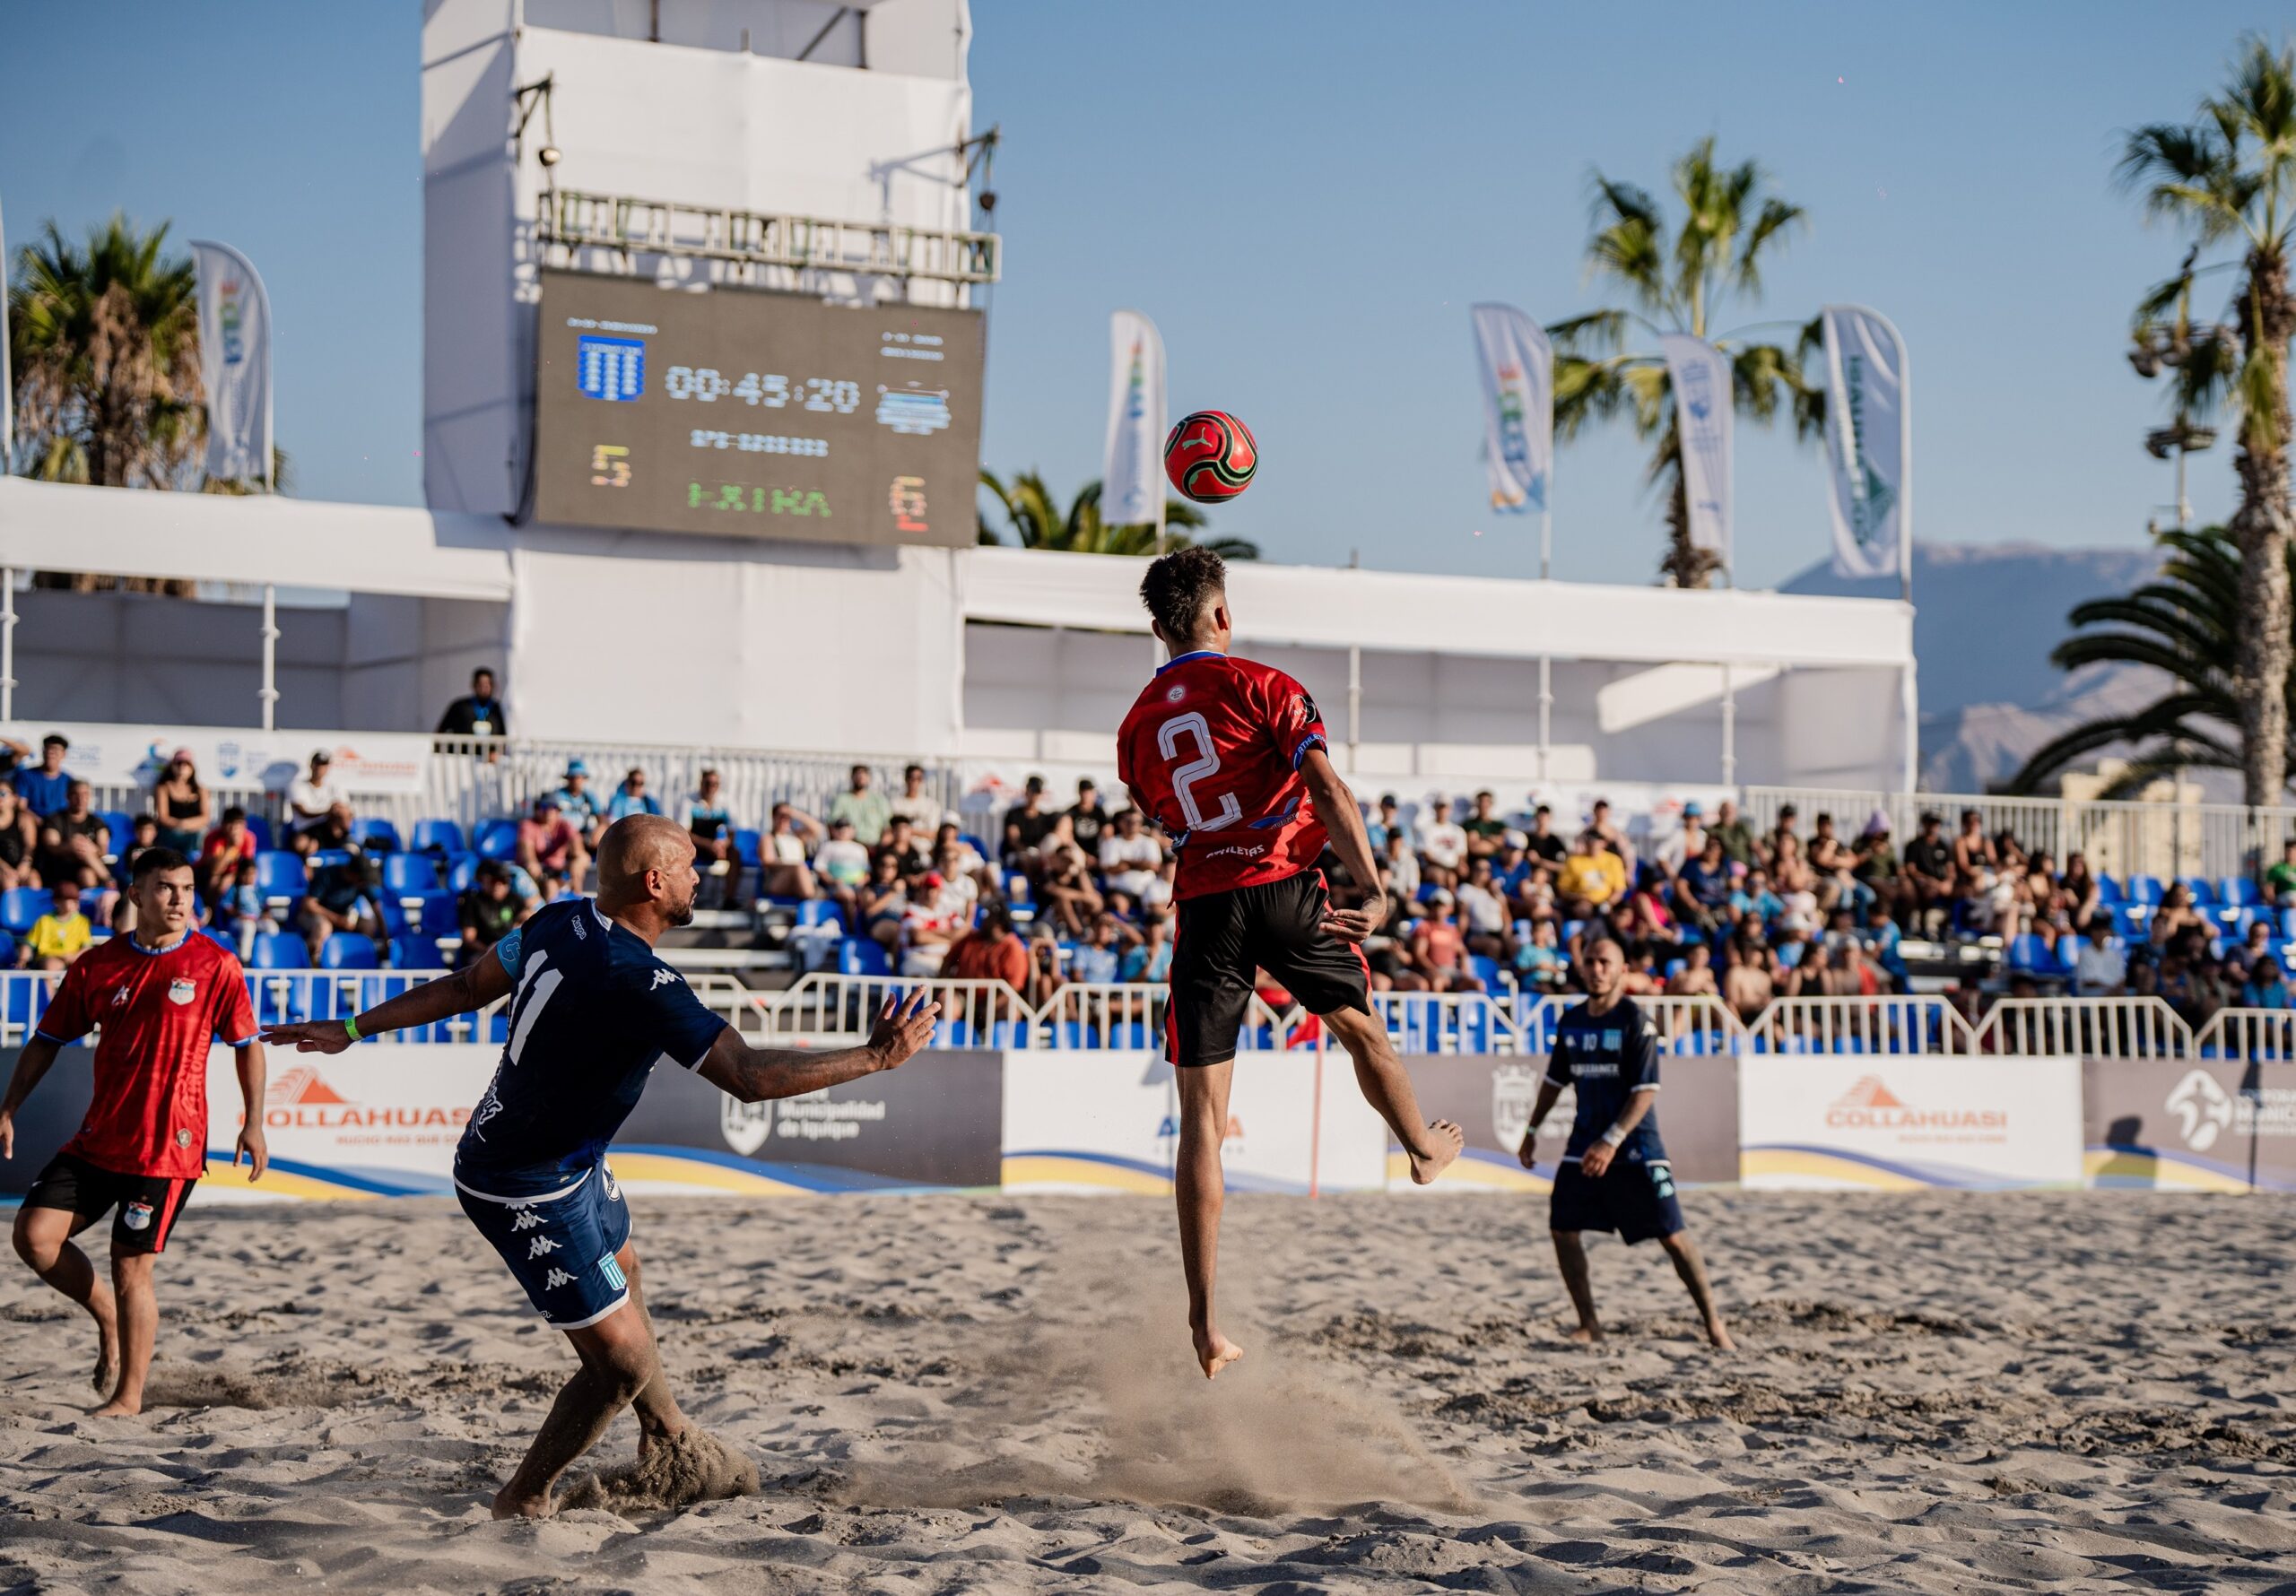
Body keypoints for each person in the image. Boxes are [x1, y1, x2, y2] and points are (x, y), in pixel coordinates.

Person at [261, 816, 937, 1516]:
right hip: (520, 1185)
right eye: (688, 867)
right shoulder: (640, 982)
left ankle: (667, 1437)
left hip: (570, 1164)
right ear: (654, 882)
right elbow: (748, 1075)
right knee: (619, 1366)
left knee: (627, 1268)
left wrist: (349, 1029)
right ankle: (522, 1498)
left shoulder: (558, 920)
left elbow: (467, 988)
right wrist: (875, 1059)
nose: (699, 877)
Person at [1115, 547, 1462, 1379]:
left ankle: (1204, 1324)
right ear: (1221, 617)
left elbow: (1161, 816)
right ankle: (1419, 1145)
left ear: (1159, 629)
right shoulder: (1265, 684)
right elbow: (1331, 791)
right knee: (1360, 1032)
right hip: (1281, 886)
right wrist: (1373, 890)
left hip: (1204, 901)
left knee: (1201, 1119)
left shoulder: (1135, 726)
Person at [1, 848, 266, 1417]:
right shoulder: (97, 965)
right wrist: (9, 1106)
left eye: (189, 890)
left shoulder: (216, 964)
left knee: (130, 1265)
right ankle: (105, 1313)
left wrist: (254, 1122)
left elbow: (248, 1047)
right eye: (167, 888)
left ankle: (127, 1398)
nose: (180, 900)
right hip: (99, 1139)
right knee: (34, 1238)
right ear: (136, 894)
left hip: (168, 1147)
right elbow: (47, 1039)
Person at [1516, 937, 1733, 1350]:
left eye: (1605, 962)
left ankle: (1714, 1324)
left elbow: (1645, 1091)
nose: (1597, 969)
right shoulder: (1572, 1019)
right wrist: (1530, 1131)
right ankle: (1590, 1324)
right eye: (1591, 962)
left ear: (1621, 970)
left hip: (1636, 1147)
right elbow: (1553, 1081)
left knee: (1673, 1235)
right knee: (1562, 1229)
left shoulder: (1636, 1020)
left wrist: (1612, 1140)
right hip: (1584, 1143)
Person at [36, 782, 109, 892]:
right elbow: (51, 846)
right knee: (81, 846)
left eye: (85, 794)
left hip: (87, 868)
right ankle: (109, 880)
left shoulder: (97, 822)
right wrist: (70, 846)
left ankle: (92, 903)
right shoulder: (54, 819)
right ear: (67, 796)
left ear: (90, 797)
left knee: (87, 875)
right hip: (59, 868)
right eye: (76, 794)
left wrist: (92, 849)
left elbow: (103, 850)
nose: (80, 799)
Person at [458, 859, 533, 967]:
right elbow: (469, 939)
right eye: (494, 880)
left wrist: (522, 922)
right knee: (482, 965)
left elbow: (529, 916)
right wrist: (492, 950)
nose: (498, 885)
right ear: (484, 880)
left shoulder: (515, 899)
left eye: (503, 880)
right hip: (482, 952)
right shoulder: (473, 901)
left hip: (509, 951)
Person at [516, 794, 588, 902]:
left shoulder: (564, 825)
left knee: (580, 864)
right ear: (537, 809)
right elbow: (527, 851)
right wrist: (532, 862)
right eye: (544, 807)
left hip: (558, 872)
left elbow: (577, 844)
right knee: (549, 886)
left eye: (554, 808)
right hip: (537, 874)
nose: (549, 811)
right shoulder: (528, 825)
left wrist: (578, 861)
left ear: (558, 811)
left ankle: (578, 899)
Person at [680, 769, 735, 906]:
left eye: (715, 784)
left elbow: (732, 832)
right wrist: (708, 844)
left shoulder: (725, 802)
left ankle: (729, 899)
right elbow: (685, 833)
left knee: (735, 855)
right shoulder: (688, 802)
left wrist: (723, 845)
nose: (711, 787)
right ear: (701, 783)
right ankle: (684, 899)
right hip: (695, 846)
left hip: (715, 847)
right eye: (708, 783)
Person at [20, 880, 93, 970]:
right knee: (51, 965)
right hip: (50, 957)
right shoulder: (44, 921)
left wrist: (75, 956)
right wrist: (23, 960)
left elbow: (87, 947)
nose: (75, 904)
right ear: (57, 902)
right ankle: (50, 984)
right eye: (70, 901)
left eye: (76, 900)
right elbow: (29, 944)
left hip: (73, 958)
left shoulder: (83, 921)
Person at [150, 750, 211, 856]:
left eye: (187, 764)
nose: (182, 767)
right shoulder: (163, 788)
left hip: (194, 834)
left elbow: (205, 817)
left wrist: (187, 825)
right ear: (172, 766)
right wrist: (179, 824)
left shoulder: (201, 790)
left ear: (192, 768)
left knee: (200, 836)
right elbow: (163, 817)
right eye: (179, 763)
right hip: (171, 832)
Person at [197, 805, 258, 908]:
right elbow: (214, 869)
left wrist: (231, 877)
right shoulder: (213, 838)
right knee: (213, 882)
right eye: (230, 824)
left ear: (244, 825)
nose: (234, 829)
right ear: (223, 825)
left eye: (238, 824)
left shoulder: (249, 838)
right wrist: (231, 847)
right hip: (207, 871)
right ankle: (210, 913)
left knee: (226, 884)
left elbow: (246, 865)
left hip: (235, 872)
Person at [826, 764, 891, 848]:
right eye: (858, 776)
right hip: (850, 845)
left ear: (869, 778)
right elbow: (832, 824)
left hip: (876, 846)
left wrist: (883, 845)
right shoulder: (842, 799)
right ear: (852, 777)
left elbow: (888, 826)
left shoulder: (879, 799)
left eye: (864, 777)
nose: (860, 779)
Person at [13, 734, 77, 820]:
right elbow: (21, 806)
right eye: (48, 748)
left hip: (58, 823)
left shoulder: (68, 780)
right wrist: (37, 820)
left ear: (63, 754)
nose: (51, 752)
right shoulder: (26, 775)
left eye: (56, 749)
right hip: (32, 820)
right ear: (43, 752)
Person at [437, 667, 510, 739]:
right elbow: (441, 730)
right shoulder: (460, 706)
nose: (484, 689)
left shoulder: (496, 707)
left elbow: (502, 734)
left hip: (488, 750)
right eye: (481, 685)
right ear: (474, 685)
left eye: (488, 685)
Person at [552, 761, 604, 849]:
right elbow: (553, 820)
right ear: (568, 779)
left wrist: (599, 830)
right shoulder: (558, 795)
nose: (576, 780)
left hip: (584, 837)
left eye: (578, 777)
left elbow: (601, 818)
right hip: (563, 838)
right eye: (572, 777)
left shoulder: (589, 796)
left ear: (583, 779)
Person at [287, 750, 343, 827]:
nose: (319, 768)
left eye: (323, 765)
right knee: (303, 839)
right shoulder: (297, 786)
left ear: (327, 768)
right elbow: (303, 813)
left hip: (327, 829)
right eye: (317, 764)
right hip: (306, 829)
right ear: (311, 765)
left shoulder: (334, 787)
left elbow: (343, 810)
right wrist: (328, 813)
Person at [0, 784, 36, 890]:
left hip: (23, 865)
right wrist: (5, 868)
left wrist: (25, 863)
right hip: (2, 867)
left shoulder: (24, 820)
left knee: (34, 881)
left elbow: (30, 846)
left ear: (14, 799)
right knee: (8, 883)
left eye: (2, 793)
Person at [887, 764, 941, 833]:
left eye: (918, 778)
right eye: (911, 778)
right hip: (902, 843)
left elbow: (933, 834)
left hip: (924, 843)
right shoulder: (895, 803)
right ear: (906, 779)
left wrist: (908, 830)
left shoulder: (932, 805)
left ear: (922, 781)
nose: (914, 782)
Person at [1065, 778, 1111, 858]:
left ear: (1094, 793)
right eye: (1084, 791)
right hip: (1077, 851)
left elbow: (1107, 833)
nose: (1086, 794)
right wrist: (1084, 855)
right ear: (1079, 793)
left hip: (1096, 851)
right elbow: (1067, 836)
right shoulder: (1072, 811)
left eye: (1089, 791)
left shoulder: (1099, 811)